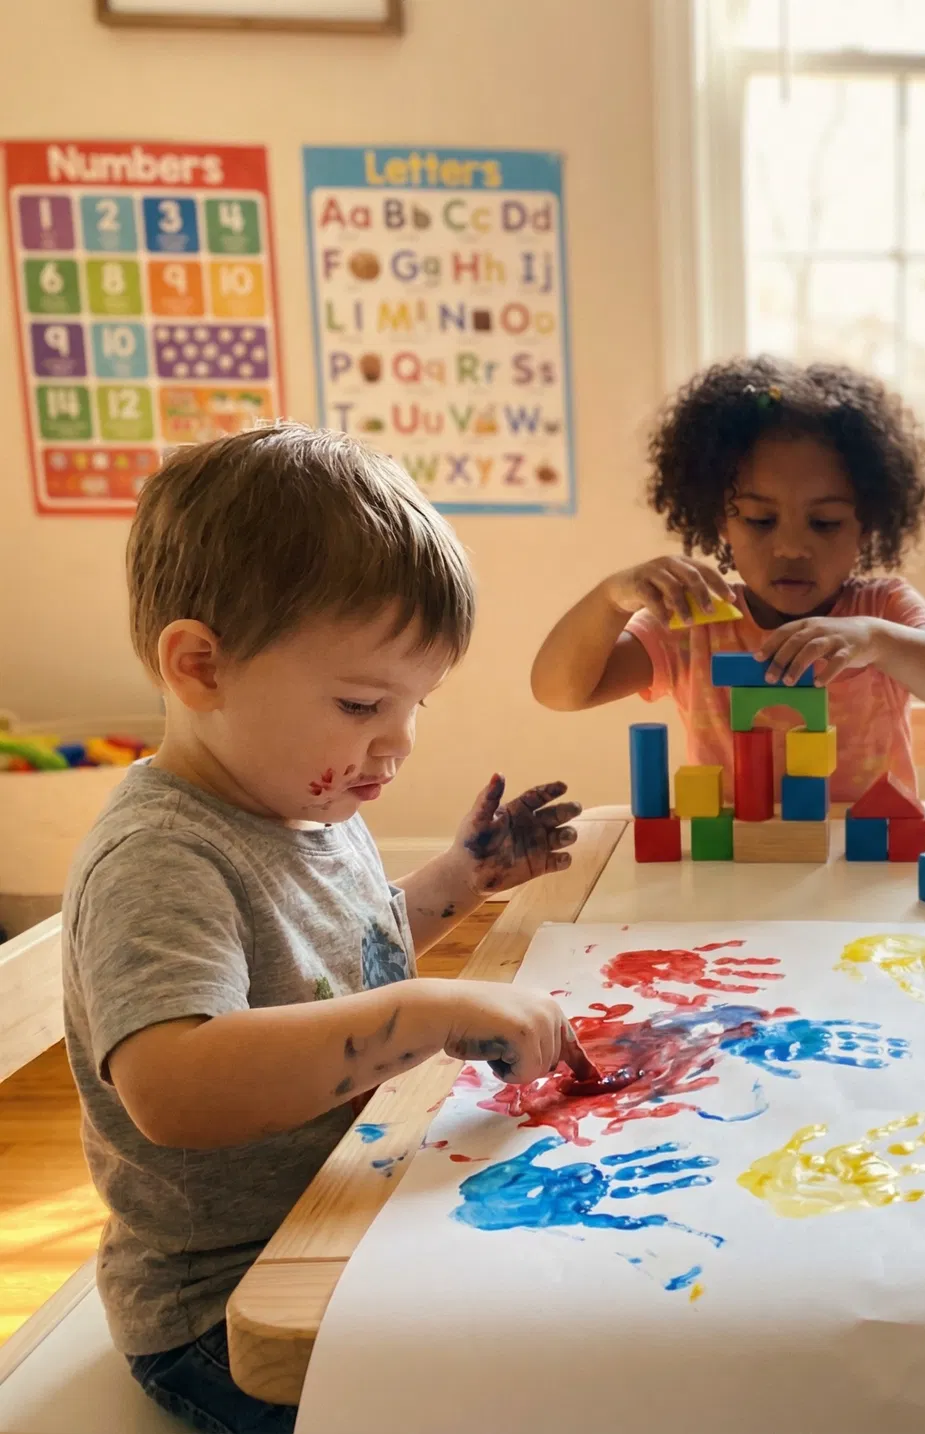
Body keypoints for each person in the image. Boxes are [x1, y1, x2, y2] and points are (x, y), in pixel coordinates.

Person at [65, 425, 581, 1432]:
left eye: (416, 701)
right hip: (231, 1311)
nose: (398, 740)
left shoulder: (302, 805)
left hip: (344, 1216)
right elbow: (174, 1087)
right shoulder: (161, 858)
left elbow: (343, 956)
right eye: (360, 702)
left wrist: (460, 881)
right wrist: (421, 1014)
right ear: (200, 667)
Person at [531, 357, 925, 802]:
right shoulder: (696, 622)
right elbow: (560, 692)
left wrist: (877, 640)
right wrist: (612, 598)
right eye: (760, 519)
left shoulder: (882, 612)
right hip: (732, 861)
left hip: (860, 862)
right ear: (721, 522)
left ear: (866, 527)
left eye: (824, 522)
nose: (790, 548)